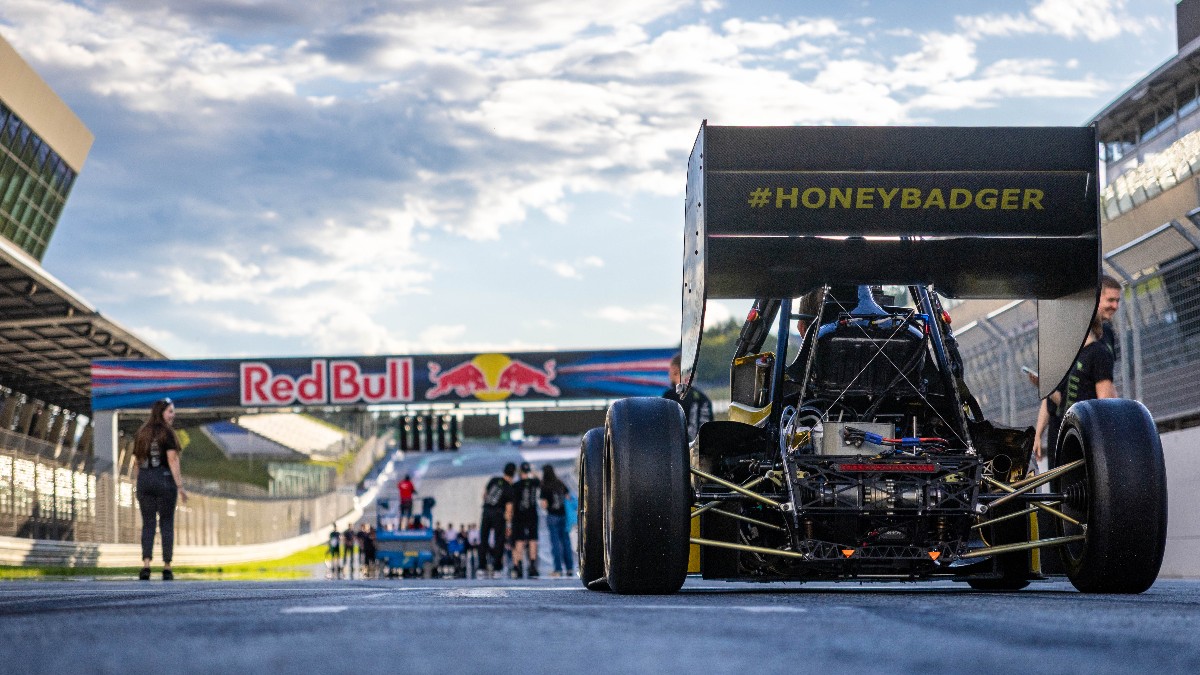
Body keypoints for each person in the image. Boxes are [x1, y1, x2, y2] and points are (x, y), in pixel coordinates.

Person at [1033, 275, 1123, 468]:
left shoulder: (1099, 347)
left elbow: (1105, 390)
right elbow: (1058, 396)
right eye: (1111, 300)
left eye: (1117, 301)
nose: (1115, 306)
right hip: (1064, 425)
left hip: (1086, 429)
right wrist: (1038, 433)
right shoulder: (1064, 348)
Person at [133, 398, 187, 581]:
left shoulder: (142, 432)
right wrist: (180, 486)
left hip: (145, 480)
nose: (173, 415)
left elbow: (137, 462)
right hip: (164, 480)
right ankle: (167, 566)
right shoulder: (168, 434)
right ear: (162, 412)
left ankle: (146, 564)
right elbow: (172, 460)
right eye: (170, 411)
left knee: (148, 523)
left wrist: (138, 483)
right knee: (166, 523)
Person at [663, 352, 713, 441]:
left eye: (670, 370)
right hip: (700, 451)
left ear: (675, 370)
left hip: (677, 450)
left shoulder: (669, 396)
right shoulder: (703, 398)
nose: (669, 374)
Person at [479, 462, 516, 579]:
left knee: (483, 539)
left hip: (486, 511)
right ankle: (496, 568)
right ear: (513, 474)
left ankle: (481, 567)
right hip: (498, 514)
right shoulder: (509, 488)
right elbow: (509, 509)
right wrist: (509, 525)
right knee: (499, 541)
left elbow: (484, 495)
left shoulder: (494, 480)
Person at [539, 464, 574, 578]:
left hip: (552, 516)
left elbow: (544, 505)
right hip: (563, 516)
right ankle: (569, 568)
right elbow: (568, 497)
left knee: (555, 544)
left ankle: (558, 569)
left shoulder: (544, 486)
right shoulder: (560, 483)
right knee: (566, 542)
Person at [510, 462, 541, 579]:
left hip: (519, 515)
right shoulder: (534, 483)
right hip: (532, 514)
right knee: (533, 539)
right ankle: (532, 565)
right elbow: (539, 480)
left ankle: (518, 565)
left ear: (520, 472)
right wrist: (532, 472)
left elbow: (512, 503)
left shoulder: (516, 485)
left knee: (519, 540)